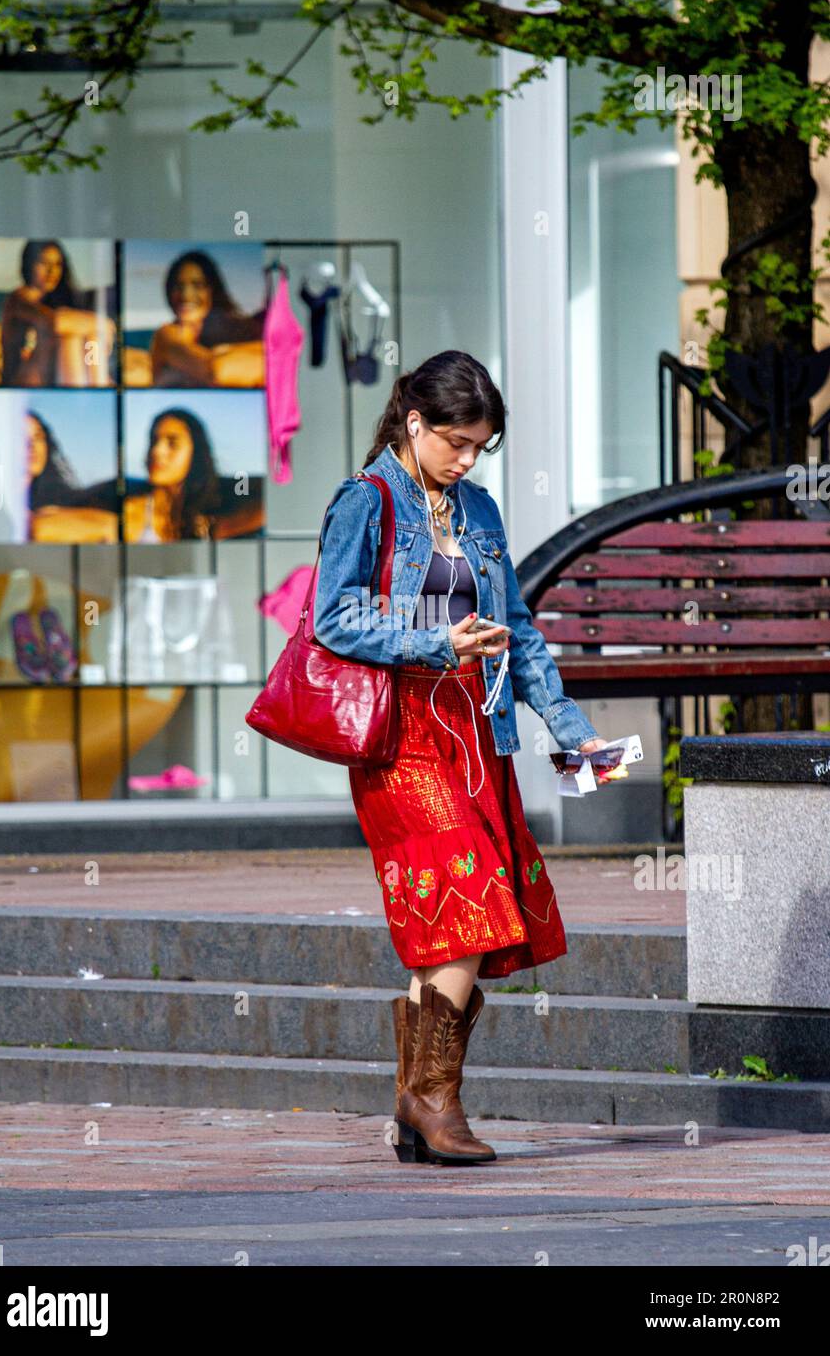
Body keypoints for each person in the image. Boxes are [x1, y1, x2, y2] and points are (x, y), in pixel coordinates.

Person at [312, 350, 608, 1167]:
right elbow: (330, 620)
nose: (468, 460)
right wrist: (431, 640)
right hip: (398, 733)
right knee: (466, 897)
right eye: (456, 442)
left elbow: (516, 624)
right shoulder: (364, 502)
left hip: (476, 732)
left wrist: (567, 725)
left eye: (481, 445)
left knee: (447, 917)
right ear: (414, 422)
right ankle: (437, 1098)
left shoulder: (477, 510)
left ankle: (416, 1106)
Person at [0, 240, 115, 388]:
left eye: (57, 264)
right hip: (21, 380)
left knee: (91, 337)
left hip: (52, 376)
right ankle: (90, 389)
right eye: (43, 263)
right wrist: (105, 324)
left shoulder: (52, 299)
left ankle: (97, 383)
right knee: (71, 338)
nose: (52, 271)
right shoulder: (19, 298)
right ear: (29, 264)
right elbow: (54, 323)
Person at [149, 250, 265, 388]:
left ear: (212, 290)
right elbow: (217, 372)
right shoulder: (167, 335)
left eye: (197, 285)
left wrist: (224, 350)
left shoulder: (238, 330)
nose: (186, 295)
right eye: (178, 286)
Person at [123, 407, 222, 541]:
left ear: (196, 453)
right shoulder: (130, 511)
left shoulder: (218, 509)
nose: (156, 451)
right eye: (153, 441)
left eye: (173, 443)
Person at [26, 411, 118, 543]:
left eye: (38, 437)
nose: (32, 446)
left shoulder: (59, 503)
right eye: (20, 437)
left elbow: (114, 527)